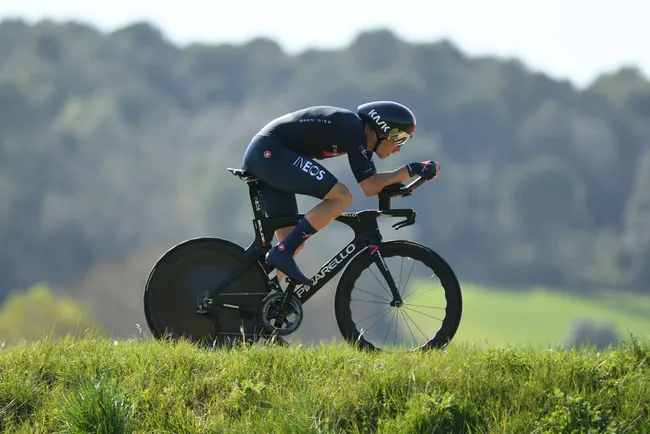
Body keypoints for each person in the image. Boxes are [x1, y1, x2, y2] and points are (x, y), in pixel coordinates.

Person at [241, 101, 440, 286]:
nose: (399, 147)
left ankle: (267, 300)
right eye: (400, 139)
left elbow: (373, 185)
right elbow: (369, 186)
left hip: (268, 155)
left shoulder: (359, 138)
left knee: (292, 244)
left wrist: (405, 178)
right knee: (341, 197)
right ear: (383, 129)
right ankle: (282, 253)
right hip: (269, 152)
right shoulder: (353, 129)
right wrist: (412, 169)